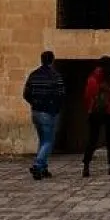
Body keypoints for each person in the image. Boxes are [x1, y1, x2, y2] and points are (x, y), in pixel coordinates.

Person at [21, 50, 65, 181]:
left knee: (43, 140)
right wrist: (55, 107)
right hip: (49, 112)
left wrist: (34, 103)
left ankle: (43, 168)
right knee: (48, 141)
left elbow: (26, 93)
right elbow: (61, 93)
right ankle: (38, 164)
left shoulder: (34, 75)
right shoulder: (55, 76)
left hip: (36, 111)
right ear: (52, 60)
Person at [82, 55, 110, 178]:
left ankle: (86, 166)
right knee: (109, 140)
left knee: (92, 139)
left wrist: (90, 108)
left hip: (95, 112)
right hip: (109, 112)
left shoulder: (93, 77)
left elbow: (88, 94)